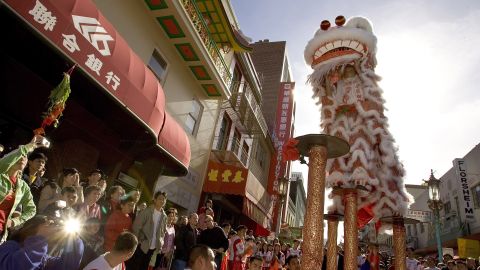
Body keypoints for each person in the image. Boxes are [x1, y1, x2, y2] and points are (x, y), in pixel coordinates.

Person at [0, 215, 84, 269]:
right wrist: (39, 238)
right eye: (49, 224)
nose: (53, 227)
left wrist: (74, 240)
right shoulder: (10, 246)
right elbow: (13, 267)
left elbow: (67, 266)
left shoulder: (43, 258)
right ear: (32, 227)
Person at [0, 136, 41, 242]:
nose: (22, 157)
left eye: (25, 156)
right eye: (19, 155)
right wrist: (29, 147)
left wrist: (14, 222)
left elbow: (32, 210)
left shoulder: (23, 186)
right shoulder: (1, 174)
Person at [128, 191, 168, 270]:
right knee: (134, 266)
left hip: (152, 248)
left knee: (144, 267)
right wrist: (138, 241)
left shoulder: (164, 216)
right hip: (141, 245)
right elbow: (136, 226)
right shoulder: (147, 211)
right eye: (160, 199)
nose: (162, 201)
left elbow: (163, 232)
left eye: (164, 199)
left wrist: (160, 242)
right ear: (155, 200)